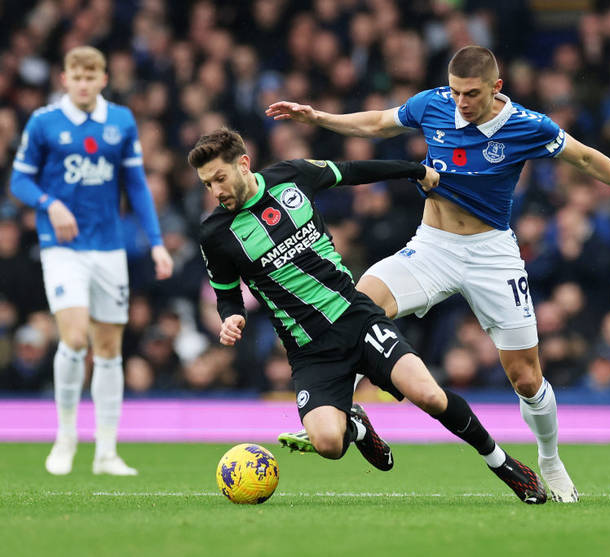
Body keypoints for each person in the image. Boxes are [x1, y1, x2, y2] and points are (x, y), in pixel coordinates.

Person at [266, 45, 610, 502]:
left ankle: (549, 458)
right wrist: (317, 117)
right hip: (432, 246)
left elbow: (586, 158)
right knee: (358, 303)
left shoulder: (528, 126)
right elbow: (377, 123)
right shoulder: (433, 104)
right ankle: (342, 411)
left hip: (491, 254)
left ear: (496, 88)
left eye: (471, 94)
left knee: (527, 378)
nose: (461, 103)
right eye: (456, 92)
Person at [189, 127, 548, 504]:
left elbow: (353, 170)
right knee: (328, 443)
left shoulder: (292, 176)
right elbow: (227, 295)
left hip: (357, 319)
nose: (216, 191)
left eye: (220, 178)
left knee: (428, 395)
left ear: (243, 164)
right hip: (310, 352)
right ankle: (357, 427)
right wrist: (231, 317)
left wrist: (412, 169)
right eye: (207, 184)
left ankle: (501, 462)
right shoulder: (215, 233)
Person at [10, 46, 173, 476]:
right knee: (76, 337)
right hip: (62, 248)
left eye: (91, 76)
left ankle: (106, 452)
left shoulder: (120, 121)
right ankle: (65, 437)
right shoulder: (44, 122)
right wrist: (50, 204)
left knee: (108, 350)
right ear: (65, 79)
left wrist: (155, 242)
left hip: (109, 248)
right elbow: (18, 180)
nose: (83, 83)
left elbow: (136, 185)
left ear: (103, 78)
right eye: (76, 76)